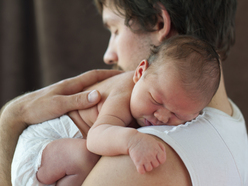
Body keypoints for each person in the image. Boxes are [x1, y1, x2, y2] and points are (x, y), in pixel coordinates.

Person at [0, 0, 247, 185]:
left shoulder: (142, 164)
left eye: (115, 30)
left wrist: (9, 124)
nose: (109, 56)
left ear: (159, 23)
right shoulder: (231, 119)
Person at [11, 35, 221, 186]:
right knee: (85, 156)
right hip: (39, 149)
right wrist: (133, 141)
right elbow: (96, 137)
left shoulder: (158, 94)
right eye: (156, 100)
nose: (162, 116)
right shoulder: (123, 93)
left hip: (59, 157)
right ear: (140, 73)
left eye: (179, 115)